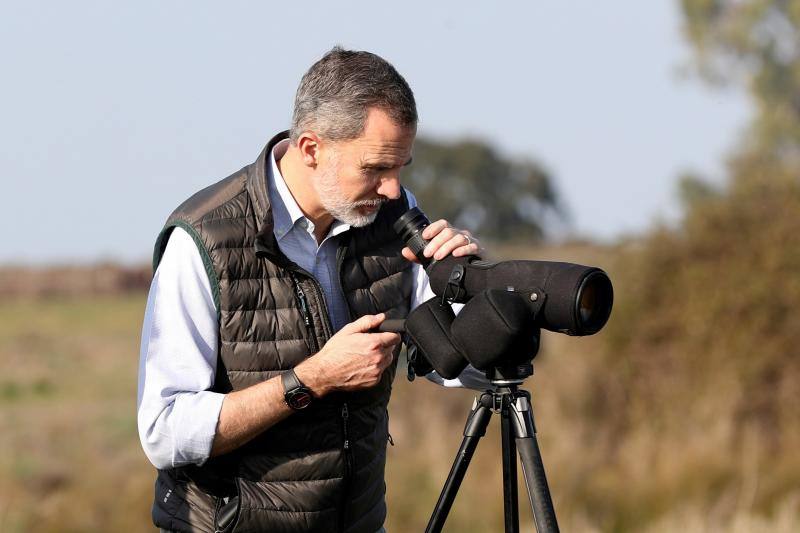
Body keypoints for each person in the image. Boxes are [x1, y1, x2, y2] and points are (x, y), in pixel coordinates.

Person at [137, 47, 486, 533]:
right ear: (310, 148)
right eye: (375, 168)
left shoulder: (389, 213)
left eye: (401, 167)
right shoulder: (205, 239)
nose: (392, 189)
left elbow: (462, 366)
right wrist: (311, 380)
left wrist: (471, 291)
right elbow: (165, 430)